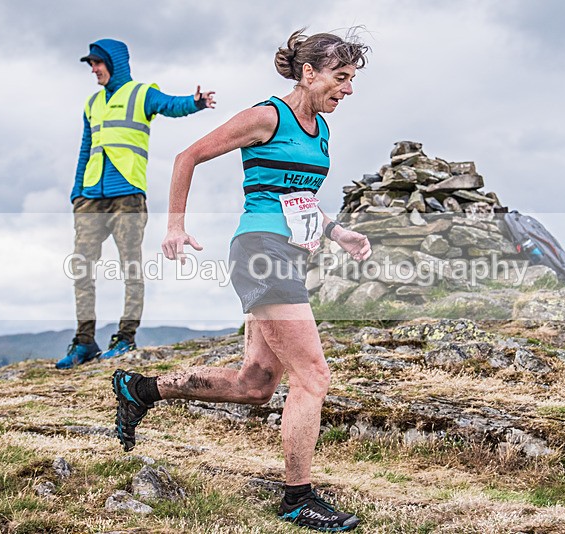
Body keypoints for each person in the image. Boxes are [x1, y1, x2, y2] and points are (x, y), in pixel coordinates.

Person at [111, 29, 371, 531]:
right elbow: (187, 156)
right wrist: (175, 227)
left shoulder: (320, 129)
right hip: (260, 252)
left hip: (287, 255)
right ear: (309, 72)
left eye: (352, 79)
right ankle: (297, 498)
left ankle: (141, 389)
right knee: (313, 375)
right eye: (341, 77)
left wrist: (337, 232)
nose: (348, 89)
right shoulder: (266, 116)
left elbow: (298, 199)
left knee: (255, 384)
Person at [56, 39, 216, 369]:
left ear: (114, 62)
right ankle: (84, 342)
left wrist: (196, 102)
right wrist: (76, 192)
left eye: (97, 63)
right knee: (82, 267)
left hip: (128, 195)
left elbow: (170, 104)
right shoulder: (92, 104)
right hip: (90, 198)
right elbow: (86, 149)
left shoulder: (141, 94)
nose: (93, 69)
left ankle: (125, 337)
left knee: (130, 266)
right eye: (90, 65)